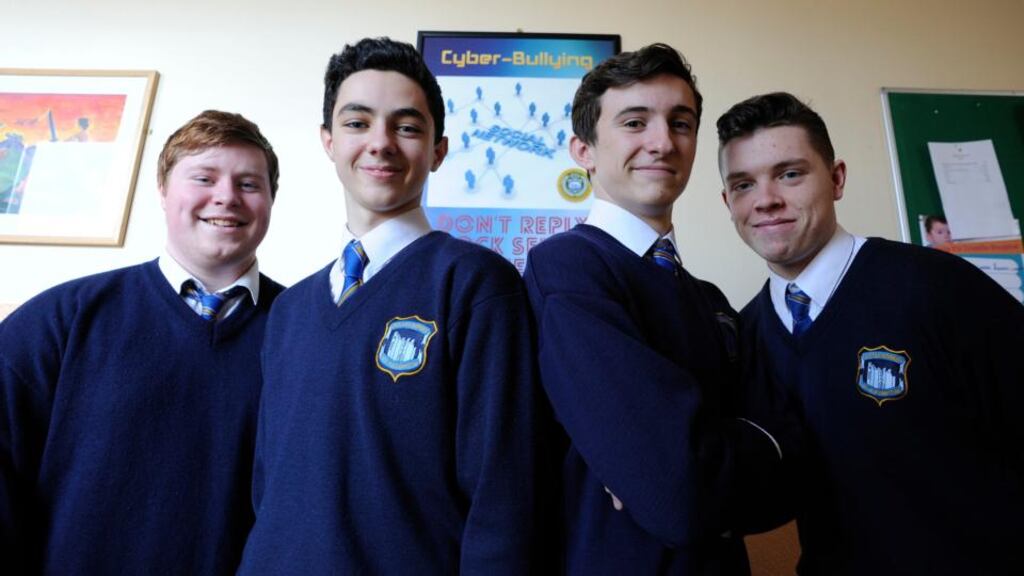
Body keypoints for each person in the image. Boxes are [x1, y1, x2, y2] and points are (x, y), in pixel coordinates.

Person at [236, 37, 538, 574]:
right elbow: (270, 488)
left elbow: (503, 491)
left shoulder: (474, 283)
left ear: (438, 150)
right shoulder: (288, 310)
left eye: (406, 126)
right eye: (357, 123)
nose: (381, 143)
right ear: (328, 141)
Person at [717, 91, 1024, 575]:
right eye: (743, 184)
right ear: (727, 202)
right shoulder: (746, 334)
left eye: (790, 174)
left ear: (836, 179)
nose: (766, 200)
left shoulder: (936, 289)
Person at [523, 44, 793, 575]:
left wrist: (712, 461)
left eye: (681, 123)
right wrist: (718, 459)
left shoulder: (709, 300)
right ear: (584, 150)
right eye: (634, 121)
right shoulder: (569, 270)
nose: (663, 142)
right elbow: (675, 491)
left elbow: (797, 464)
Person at [0, 109, 283, 574]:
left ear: (271, 199)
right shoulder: (64, 319)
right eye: (204, 178)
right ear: (163, 190)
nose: (226, 197)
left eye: (249, 184)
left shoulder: (305, 333)